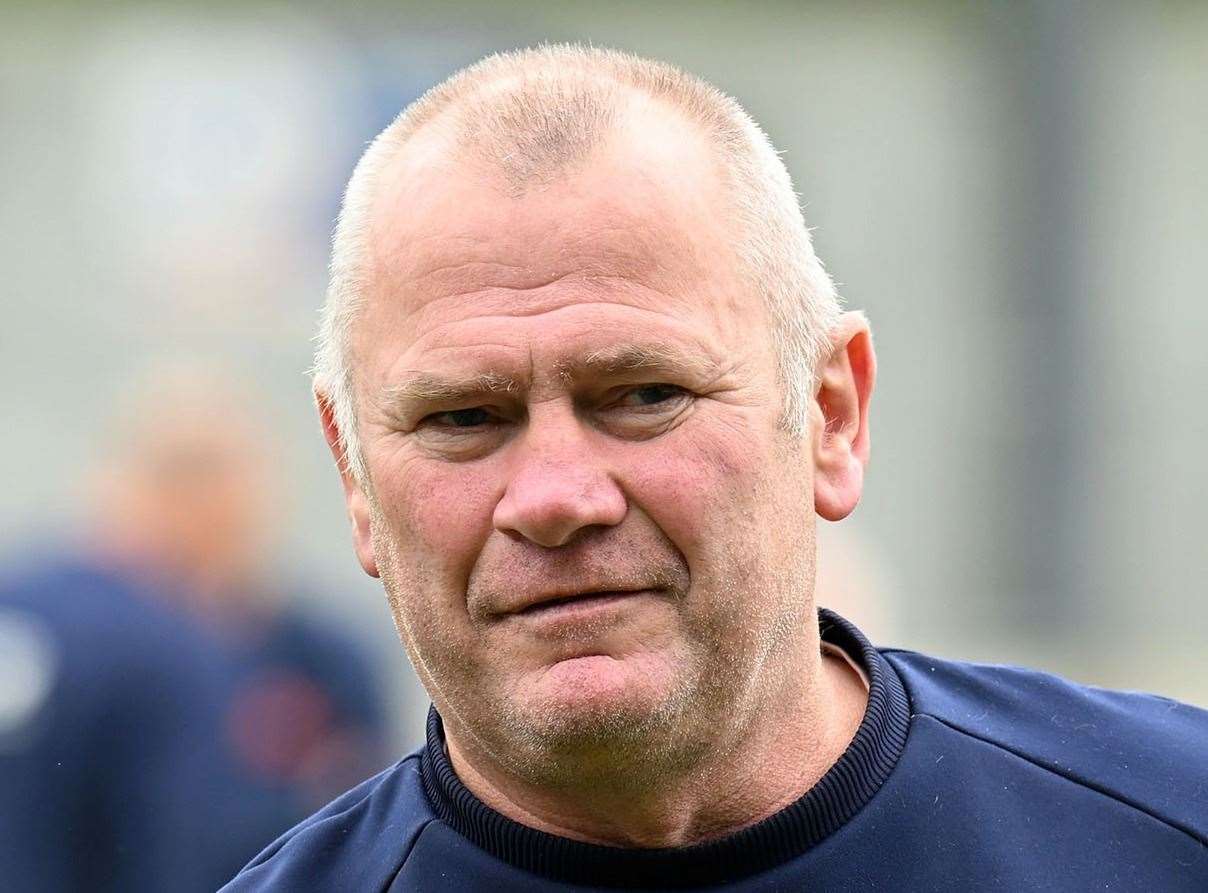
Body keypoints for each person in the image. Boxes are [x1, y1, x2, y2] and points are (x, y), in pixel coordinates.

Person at [224, 45, 1208, 890]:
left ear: (829, 413)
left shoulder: (1167, 829)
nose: (558, 497)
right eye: (464, 416)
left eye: (643, 394)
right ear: (355, 477)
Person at [0, 366, 389, 891]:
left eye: (222, 476)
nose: (206, 504)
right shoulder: (50, 630)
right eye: (180, 474)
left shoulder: (321, 658)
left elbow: (360, 832)